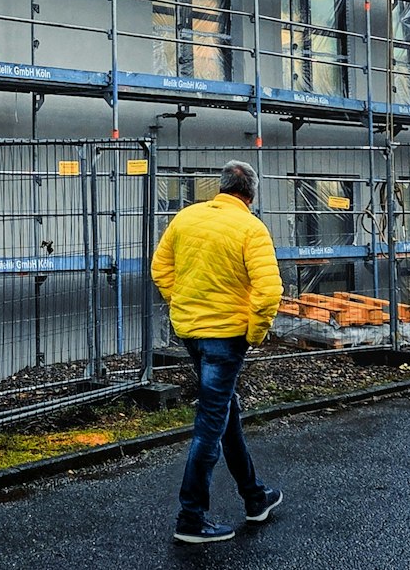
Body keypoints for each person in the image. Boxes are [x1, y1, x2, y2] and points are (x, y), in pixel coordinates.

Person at [150, 159, 285, 544]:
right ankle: (191, 517)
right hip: (227, 337)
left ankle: (255, 497)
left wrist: (181, 303)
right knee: (210, 422)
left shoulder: (186, 218)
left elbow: (160, 269)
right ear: (251, 195)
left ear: (221, 187)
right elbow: (269, 291)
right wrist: (254, 334)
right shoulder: (251, 228)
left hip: (192, 333)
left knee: (225, 411)